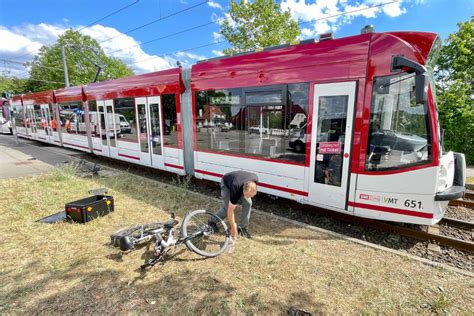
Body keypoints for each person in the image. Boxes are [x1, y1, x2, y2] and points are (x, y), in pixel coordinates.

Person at [209, 170, 258, 239]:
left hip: (239, 181)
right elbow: (230, 211)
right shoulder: (236, 189)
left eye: (250, 196)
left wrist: (247, 196)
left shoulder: (255, 179)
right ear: (243, 190)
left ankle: (242, 227)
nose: (248, 197)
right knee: (227, 209)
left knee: (248, 202)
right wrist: (233, 227)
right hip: (227, 183)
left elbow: (248, 191)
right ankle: (212, 221)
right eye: (246, 195)